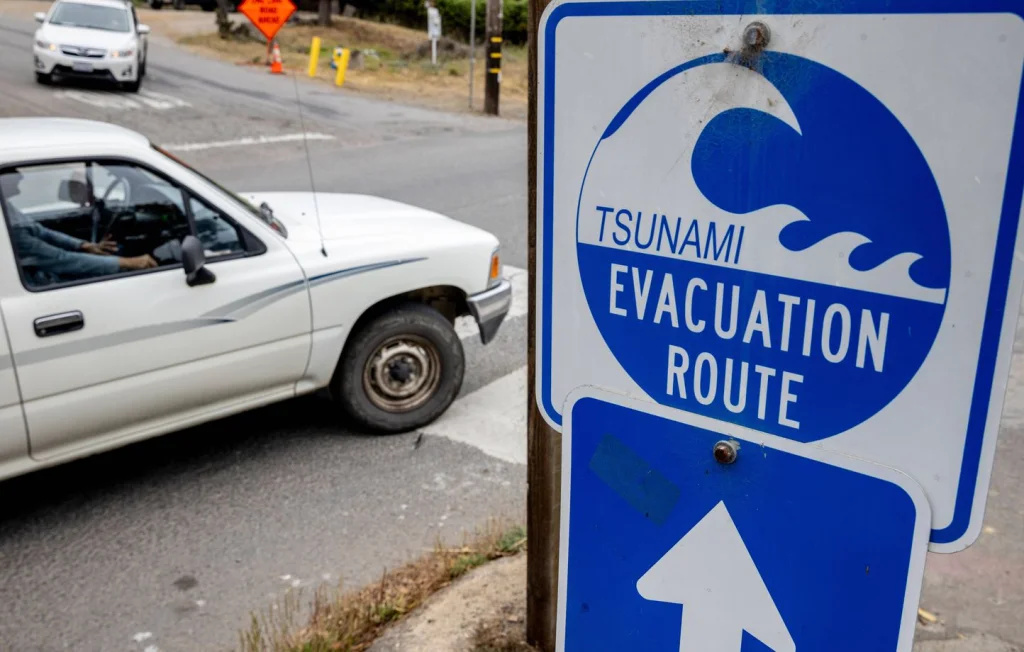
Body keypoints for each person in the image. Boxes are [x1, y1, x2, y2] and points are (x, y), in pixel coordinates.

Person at [0, 170, 157, 287]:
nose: (20, 175)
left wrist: (83, 245)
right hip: (35, 282)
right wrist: (127, 263)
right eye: (10, 173)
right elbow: (61, 259)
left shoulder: (5, 206)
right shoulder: (15, 233)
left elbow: (40, 230)